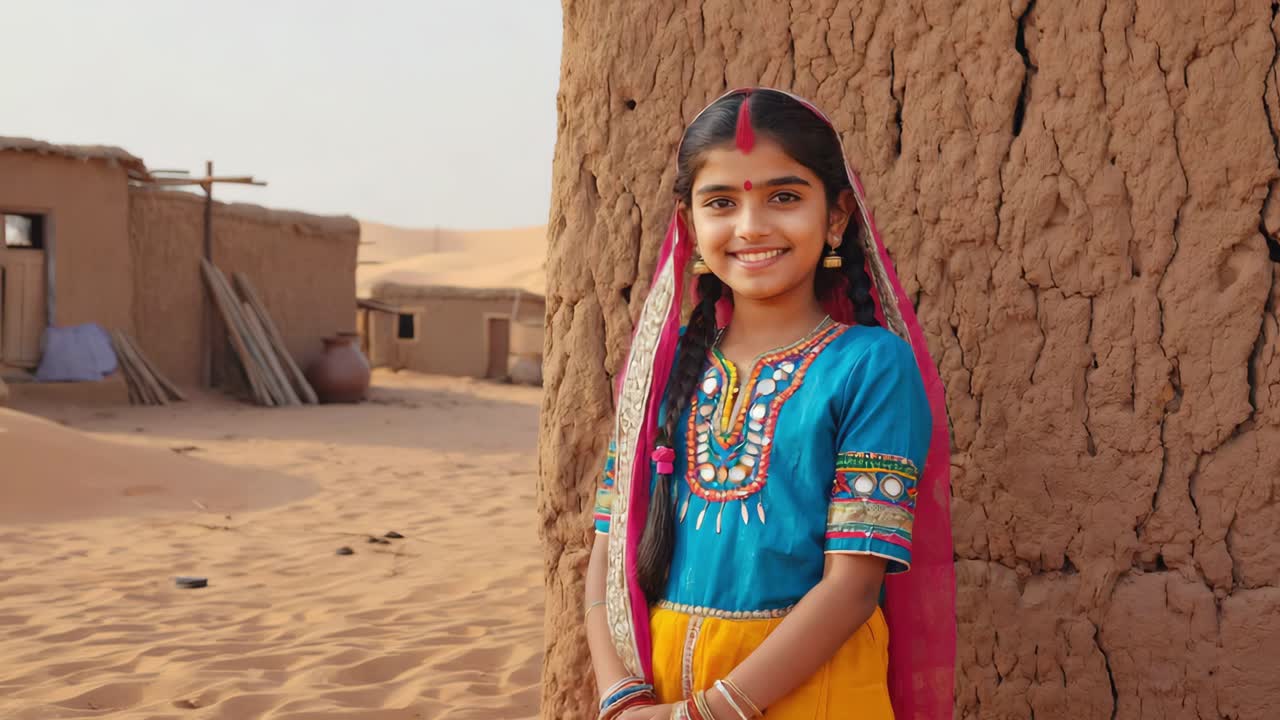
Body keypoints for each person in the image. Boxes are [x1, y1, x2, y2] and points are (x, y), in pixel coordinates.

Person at [583, 88, 954, 720]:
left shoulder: (870, 366)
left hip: (813, 694)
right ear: (689, 223)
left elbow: (853, 586)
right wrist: (620, 696)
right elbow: (608, 551)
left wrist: (703, 714)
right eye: (722, 203)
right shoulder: (665, 369)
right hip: (659, 691)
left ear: (835, 217)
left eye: (783, 197)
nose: (751, 227)